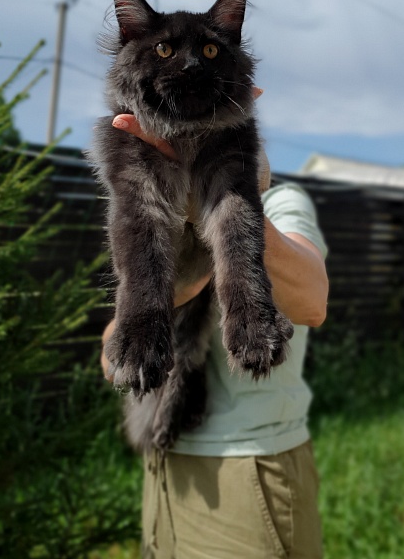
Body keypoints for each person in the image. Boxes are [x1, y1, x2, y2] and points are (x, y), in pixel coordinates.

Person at [101, 102, 329, 559]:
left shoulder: (284, 202)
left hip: (247, 468)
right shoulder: (153, 217)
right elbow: (113, 359)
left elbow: (311, 300)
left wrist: (225, 204)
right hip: (164, 465)